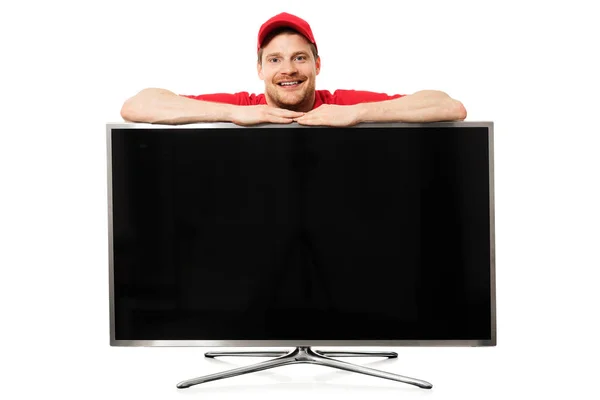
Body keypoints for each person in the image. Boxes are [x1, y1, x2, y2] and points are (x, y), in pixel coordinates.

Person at [121, 12, 467, 126]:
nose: (288, 69)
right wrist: (230, 114)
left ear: (317, 65)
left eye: (299, 58)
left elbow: (449, 106)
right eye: (275, 60)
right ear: (259, 69)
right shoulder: (244, 105)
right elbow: (137, 106)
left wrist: (358, 114)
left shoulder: (340, 103)